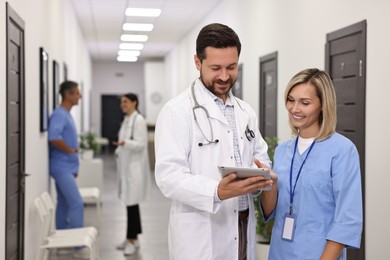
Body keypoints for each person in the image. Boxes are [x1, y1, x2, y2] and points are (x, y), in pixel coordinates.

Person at [154, 23, 273, 260]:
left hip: (242, 222)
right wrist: (216, 191)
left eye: (231, 67)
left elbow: (261, 156)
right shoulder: (177, 111)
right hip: (201, 232)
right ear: (197, 63)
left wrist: (263, 175)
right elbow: (168, 176)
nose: (224, 76)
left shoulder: (245, 111)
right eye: (215, 67)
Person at [260, 68, 363, 259]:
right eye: (291, 100)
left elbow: (347, 220)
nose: (294, 108)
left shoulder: (342, 150)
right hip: (279, 252)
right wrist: (270, 184)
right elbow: (269, 211)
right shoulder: (283, 150)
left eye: (305, 103)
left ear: (323, 105)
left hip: (319, 253)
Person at [48, 81, 89, 258]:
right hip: (61, 166)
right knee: (76, 202)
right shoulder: (60, 114)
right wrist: (70, 151)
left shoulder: (66, 114)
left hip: (67, 166)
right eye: (77, 93)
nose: (79, 96)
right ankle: (78, 245)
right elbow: (53, 137)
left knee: (64, 203)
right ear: (68, 95)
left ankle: (63, 239)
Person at [113, 93, 150, 256]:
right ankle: (133, 238)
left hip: (134, 170)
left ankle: (131, 240)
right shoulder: (127, 119)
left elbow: (141, 145)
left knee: (132, 204)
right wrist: (118, 149)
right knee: (131, 205)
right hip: (126, 167)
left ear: (135, 102)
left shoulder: (138, 120)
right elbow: (123, 140)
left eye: (126, 102)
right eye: (122, 102)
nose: (123, 104)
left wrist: (124, 144)